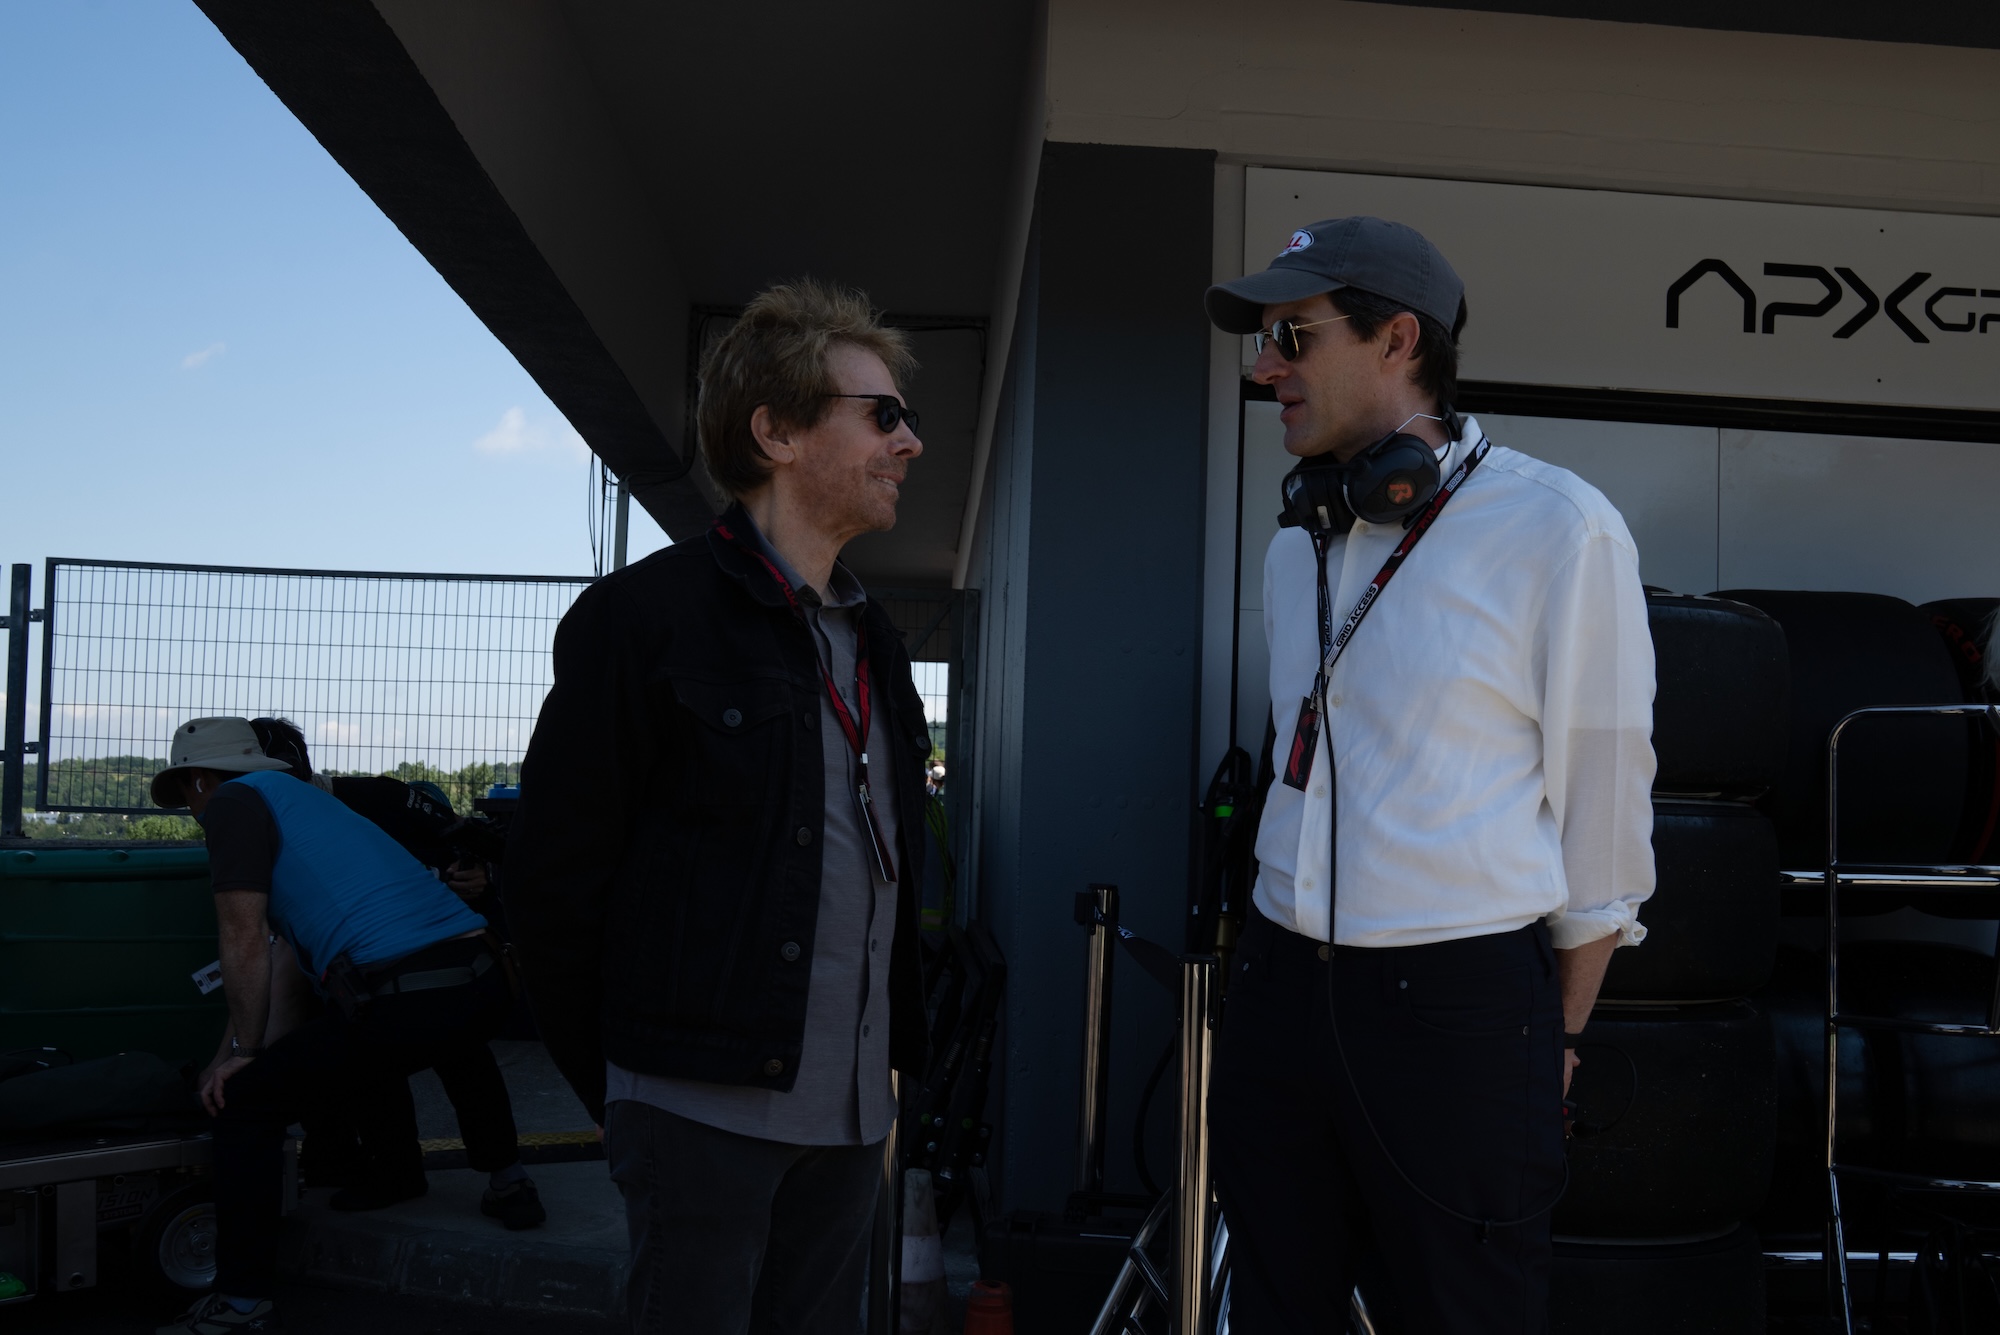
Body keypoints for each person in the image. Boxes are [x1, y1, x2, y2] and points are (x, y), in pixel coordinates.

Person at [1202, 217, 1656, 1332]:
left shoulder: (1558, 529)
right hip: (1276, 990)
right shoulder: (1293, 538)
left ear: (1397, 338)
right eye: (1259, 344)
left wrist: (1551, 1041)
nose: (1265, 372)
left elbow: (1603, 825)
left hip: (1454, 1015)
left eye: (1291, 339)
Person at [507, 279, 935, 1333]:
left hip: (851, 1114)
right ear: (776, 431)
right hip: (694, 1107)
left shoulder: (874, 642)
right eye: (880, 414)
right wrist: (627, 1091)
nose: (909, 442)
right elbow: (550, 888)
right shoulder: (641, 620)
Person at [151, 716, 520, 1335]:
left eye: (185, 797)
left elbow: (242, 938)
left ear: (198, 780)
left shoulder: (232, 805)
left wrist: (240, 1066)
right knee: (335, 1053)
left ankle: (240, 1303)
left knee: (245, 1108)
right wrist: (239, 1054)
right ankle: (504, 1177)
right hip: (482, 978)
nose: (190, 811)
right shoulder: (304, 801)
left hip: (410, 993)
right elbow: (283, 970)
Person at [241, 718, 543, 1229]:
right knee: (354, 1040)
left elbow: (473, 848)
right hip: (350, 974)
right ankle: (377, 1164)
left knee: (451, 1038)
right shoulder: (251, 823)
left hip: (435, 957)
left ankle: (505, 1175)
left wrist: (478, 876)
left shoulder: (375, 799)